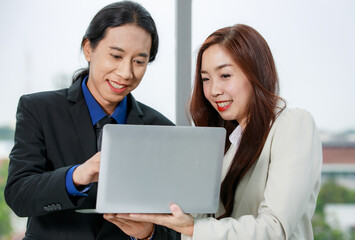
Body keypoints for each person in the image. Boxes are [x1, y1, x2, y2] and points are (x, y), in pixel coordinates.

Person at [104, 24, 323, 239]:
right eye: (205, 79)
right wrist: (148, 232)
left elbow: (275, 228)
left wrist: (193, 228)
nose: (214, 91)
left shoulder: (293, 124)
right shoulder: (225, 142)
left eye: (225, 75)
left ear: (256, 72)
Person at [4, 1, 180, 239]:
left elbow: (175, 229)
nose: (126, 72)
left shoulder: (162, 129)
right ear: (89, 49)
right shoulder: (38, 109)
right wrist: (77, 176)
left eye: (139, 61)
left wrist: (148, 233)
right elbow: (19, 196)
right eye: (116, 56)